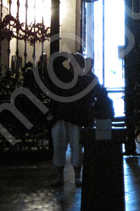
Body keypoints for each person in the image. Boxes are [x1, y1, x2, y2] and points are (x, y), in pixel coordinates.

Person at [46, 52, 98, 187]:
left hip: (73, 119)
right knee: (60, 148)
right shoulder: (71, 77)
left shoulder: (83, 79)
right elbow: (54, 63)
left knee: (76, 149)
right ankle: (62, 177)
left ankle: (76, 177)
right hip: (64, 117)